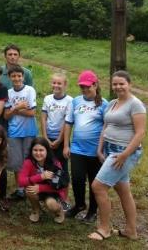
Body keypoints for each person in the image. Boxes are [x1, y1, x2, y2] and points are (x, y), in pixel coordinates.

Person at [88, 71, 147, 241]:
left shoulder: (136, 104)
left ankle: (105, 228)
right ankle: (131, 231)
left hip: (124, 152)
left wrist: (124, 155)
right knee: (123, 191)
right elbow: (106, 126)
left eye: (122, 83)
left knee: (98, 187)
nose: (118, 87)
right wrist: (100, 149)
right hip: (109, 149)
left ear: (129, 84)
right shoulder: (113, 103)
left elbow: (141, 132)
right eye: (115, 84)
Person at [63, 70, 109, 223]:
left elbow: (107, 127)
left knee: (94, 183)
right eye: (82, 87)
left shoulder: (104, 104)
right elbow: (68, 123)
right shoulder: (75, 101)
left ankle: (92, 211)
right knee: (77, 178)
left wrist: (102, 149)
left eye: (87, 86)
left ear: (95, 85)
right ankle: (80, 204)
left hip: (96, 151)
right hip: (77, 149)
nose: (84, 89)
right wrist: (66, 145)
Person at [4, 65, 38, 200]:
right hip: (14, 131)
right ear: (9, 77)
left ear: (23, 77)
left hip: (29, 131)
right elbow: (6, 116)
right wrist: (19, 106)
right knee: (17, 161)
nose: (17, 78)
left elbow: (32, 112)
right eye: (13, 76)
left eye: (19, 76)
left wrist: (13, 110)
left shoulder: (30, 90)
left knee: (28, 159)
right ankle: (20, 188)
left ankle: (29, 186)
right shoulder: (8, 93)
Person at [40, 72, 73, 209]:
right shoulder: (47, 99)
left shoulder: (70, 101)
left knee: (62, 169)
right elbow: (43, 118)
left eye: (59, 83)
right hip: (48, 139)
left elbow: (67, 121)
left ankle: (64, 199)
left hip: (61, 139)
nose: (56, 85)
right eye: (54, 82)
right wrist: (45, 138)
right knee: (48, 167)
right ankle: (50, 195)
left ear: (65, 85)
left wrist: (60, 140)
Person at [18, 137, 68, 224]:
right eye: (35, 150)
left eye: (41, 150)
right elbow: (21, 181)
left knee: (51, 204)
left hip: (53, 191)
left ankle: (59, 210)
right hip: (36, 188)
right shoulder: (29, 162)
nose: (38, 153)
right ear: (31, 151)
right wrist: (40, 177)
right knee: (29, 190)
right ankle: (36, 210)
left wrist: (40, 188)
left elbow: (60, 187)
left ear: (47, 151)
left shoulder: (55, 163)